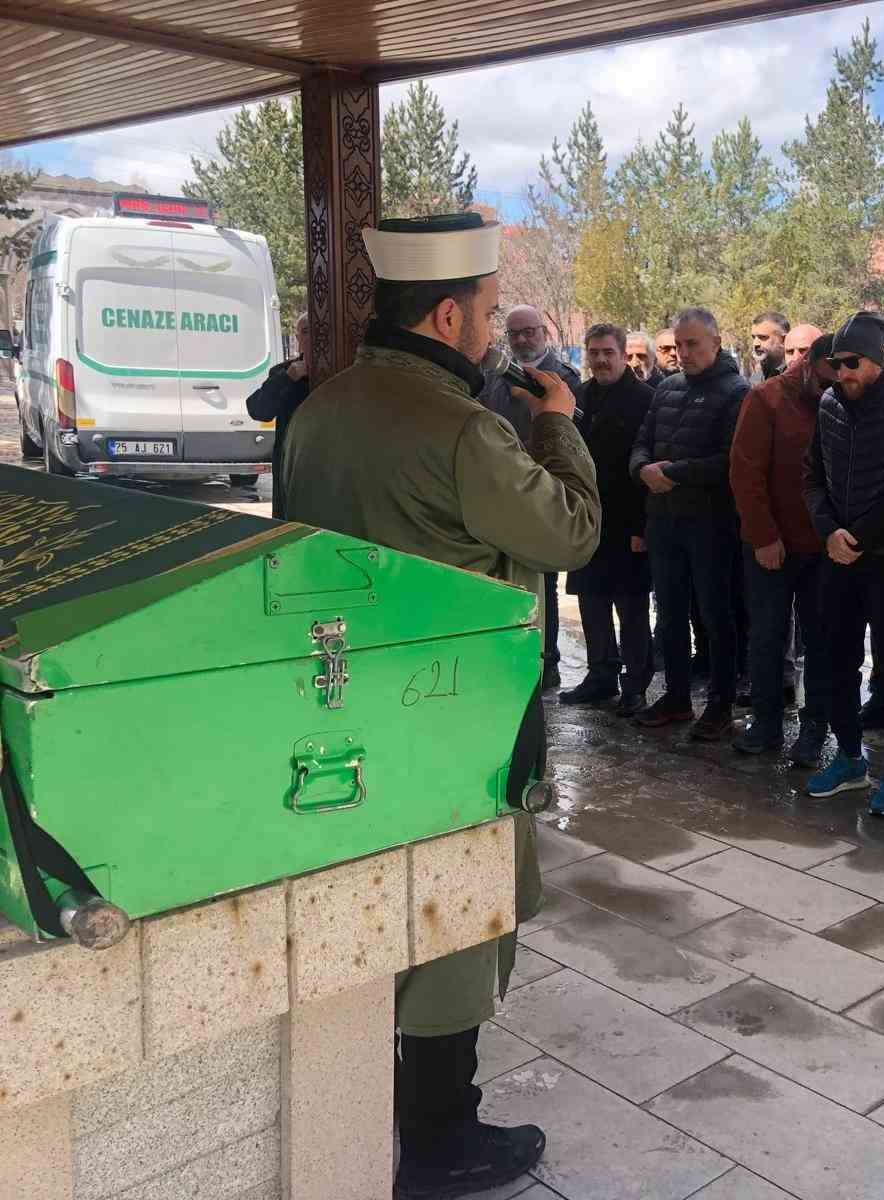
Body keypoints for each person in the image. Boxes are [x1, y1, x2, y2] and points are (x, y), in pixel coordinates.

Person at [278, 213, 600, 1197]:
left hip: (344, 698)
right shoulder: (459, 427)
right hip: (451, 711)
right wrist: (558, 424)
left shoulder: (324, 405)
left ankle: (365, 1107)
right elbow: (570, 533)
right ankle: (437, 1138)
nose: (494, 328)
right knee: (456, 916)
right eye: (490, 312)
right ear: (450, 313)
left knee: (372, 900)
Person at [802, 311, 884, 814]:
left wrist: (856, 536)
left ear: (877, 360)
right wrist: (828, 530)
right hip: (837, 554)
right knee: (835, 657)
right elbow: (812, 474)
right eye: (835, 364)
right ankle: (851, 758)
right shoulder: (831, 403)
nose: (842, 374)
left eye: (852, 363)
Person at [629, 307, 749, 739]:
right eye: (678, 345)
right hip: (664, 522)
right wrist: (643, 468)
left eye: (692, 344)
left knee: (716, 617)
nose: (682, 353)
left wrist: (672, 473)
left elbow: (730, 461)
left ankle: (720, 704)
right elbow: (642, 440)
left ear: (716, 343)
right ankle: (677, 696)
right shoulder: (666, 390)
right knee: (671, 613)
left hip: (711, 525)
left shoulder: (736, 392)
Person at [730, 326, 833, 762]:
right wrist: (764, 536)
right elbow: (745, 472)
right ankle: (767, 723)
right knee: (768, 638)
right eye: (826, 379)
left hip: (822, 547)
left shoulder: (842, 401)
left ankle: (814, 729)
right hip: (772, 546)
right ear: (807, 364)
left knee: (821, 641)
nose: (832, 389)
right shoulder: (766, 399)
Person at [485, 306, 581, 693]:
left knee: (543, 581)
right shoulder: (495, 376)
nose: (522, 340)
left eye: (528, 332)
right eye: (514, 334)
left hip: (542, 488)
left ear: (544, 332)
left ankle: (548, 660)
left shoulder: (563, 379)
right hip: (499, 488)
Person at [561, 324, 656, 714]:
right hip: (587, 518)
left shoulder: (646, 399)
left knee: (631, 608)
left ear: (622, 354)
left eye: (608, 352)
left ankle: (635, 684)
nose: (600, 360)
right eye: (594, 352)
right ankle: (601, 674)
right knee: (591, 601)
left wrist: (642, 527)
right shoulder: (578, 397)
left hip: (627, 520)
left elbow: (647, 462)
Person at [246, 311, 310, 518]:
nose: (312, 337)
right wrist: (288, 378)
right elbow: (258, 410)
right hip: (291, 464)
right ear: (298, 339)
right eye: (306, 332)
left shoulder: (342, 372)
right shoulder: (284, 373)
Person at [750, 310, 791, 382]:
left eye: (762, 337)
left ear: (783, 340)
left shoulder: (796, 375)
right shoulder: (756, 380)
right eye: (754, 337)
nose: (755, 344)